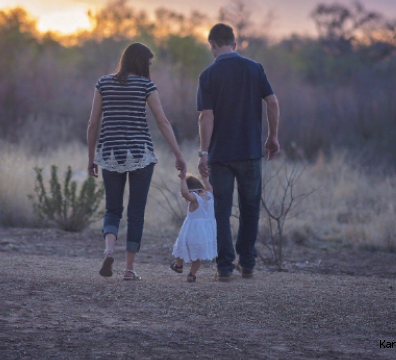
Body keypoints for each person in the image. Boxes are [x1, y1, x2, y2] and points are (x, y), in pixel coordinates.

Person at [87, 43, 187, 280]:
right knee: (136, 212)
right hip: (141, 154)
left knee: (112, 208)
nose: (150, 68)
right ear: (141, 62)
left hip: (110, 154)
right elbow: (162, 122)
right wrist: (178, 154)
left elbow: (92, 123)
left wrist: (91, 157)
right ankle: (129, 269)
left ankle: (109, 249)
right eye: (149, 63)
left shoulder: (103, 83)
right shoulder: (146, 85)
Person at [196, 24, 281, 282]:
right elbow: (273, 102)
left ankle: (224, 267)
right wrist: (272, 137)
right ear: (235, 44)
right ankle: (247, 263)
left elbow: (206, 117)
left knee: (221, 210)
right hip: (251, 152)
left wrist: (203, 152)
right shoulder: (255, 69)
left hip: (221, 155)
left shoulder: (208, 75)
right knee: (250, 207)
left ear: (212, 45)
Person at [170, 173, 217, 283]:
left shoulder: (194, 198)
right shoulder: (209, 196)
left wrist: (182, 180)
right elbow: (209, 187)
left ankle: (178, 265)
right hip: (205, 233)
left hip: (191, 231)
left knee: (180, 247)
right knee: (197, 256)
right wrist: (205, 179)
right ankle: (191, 274)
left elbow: (185, 193)